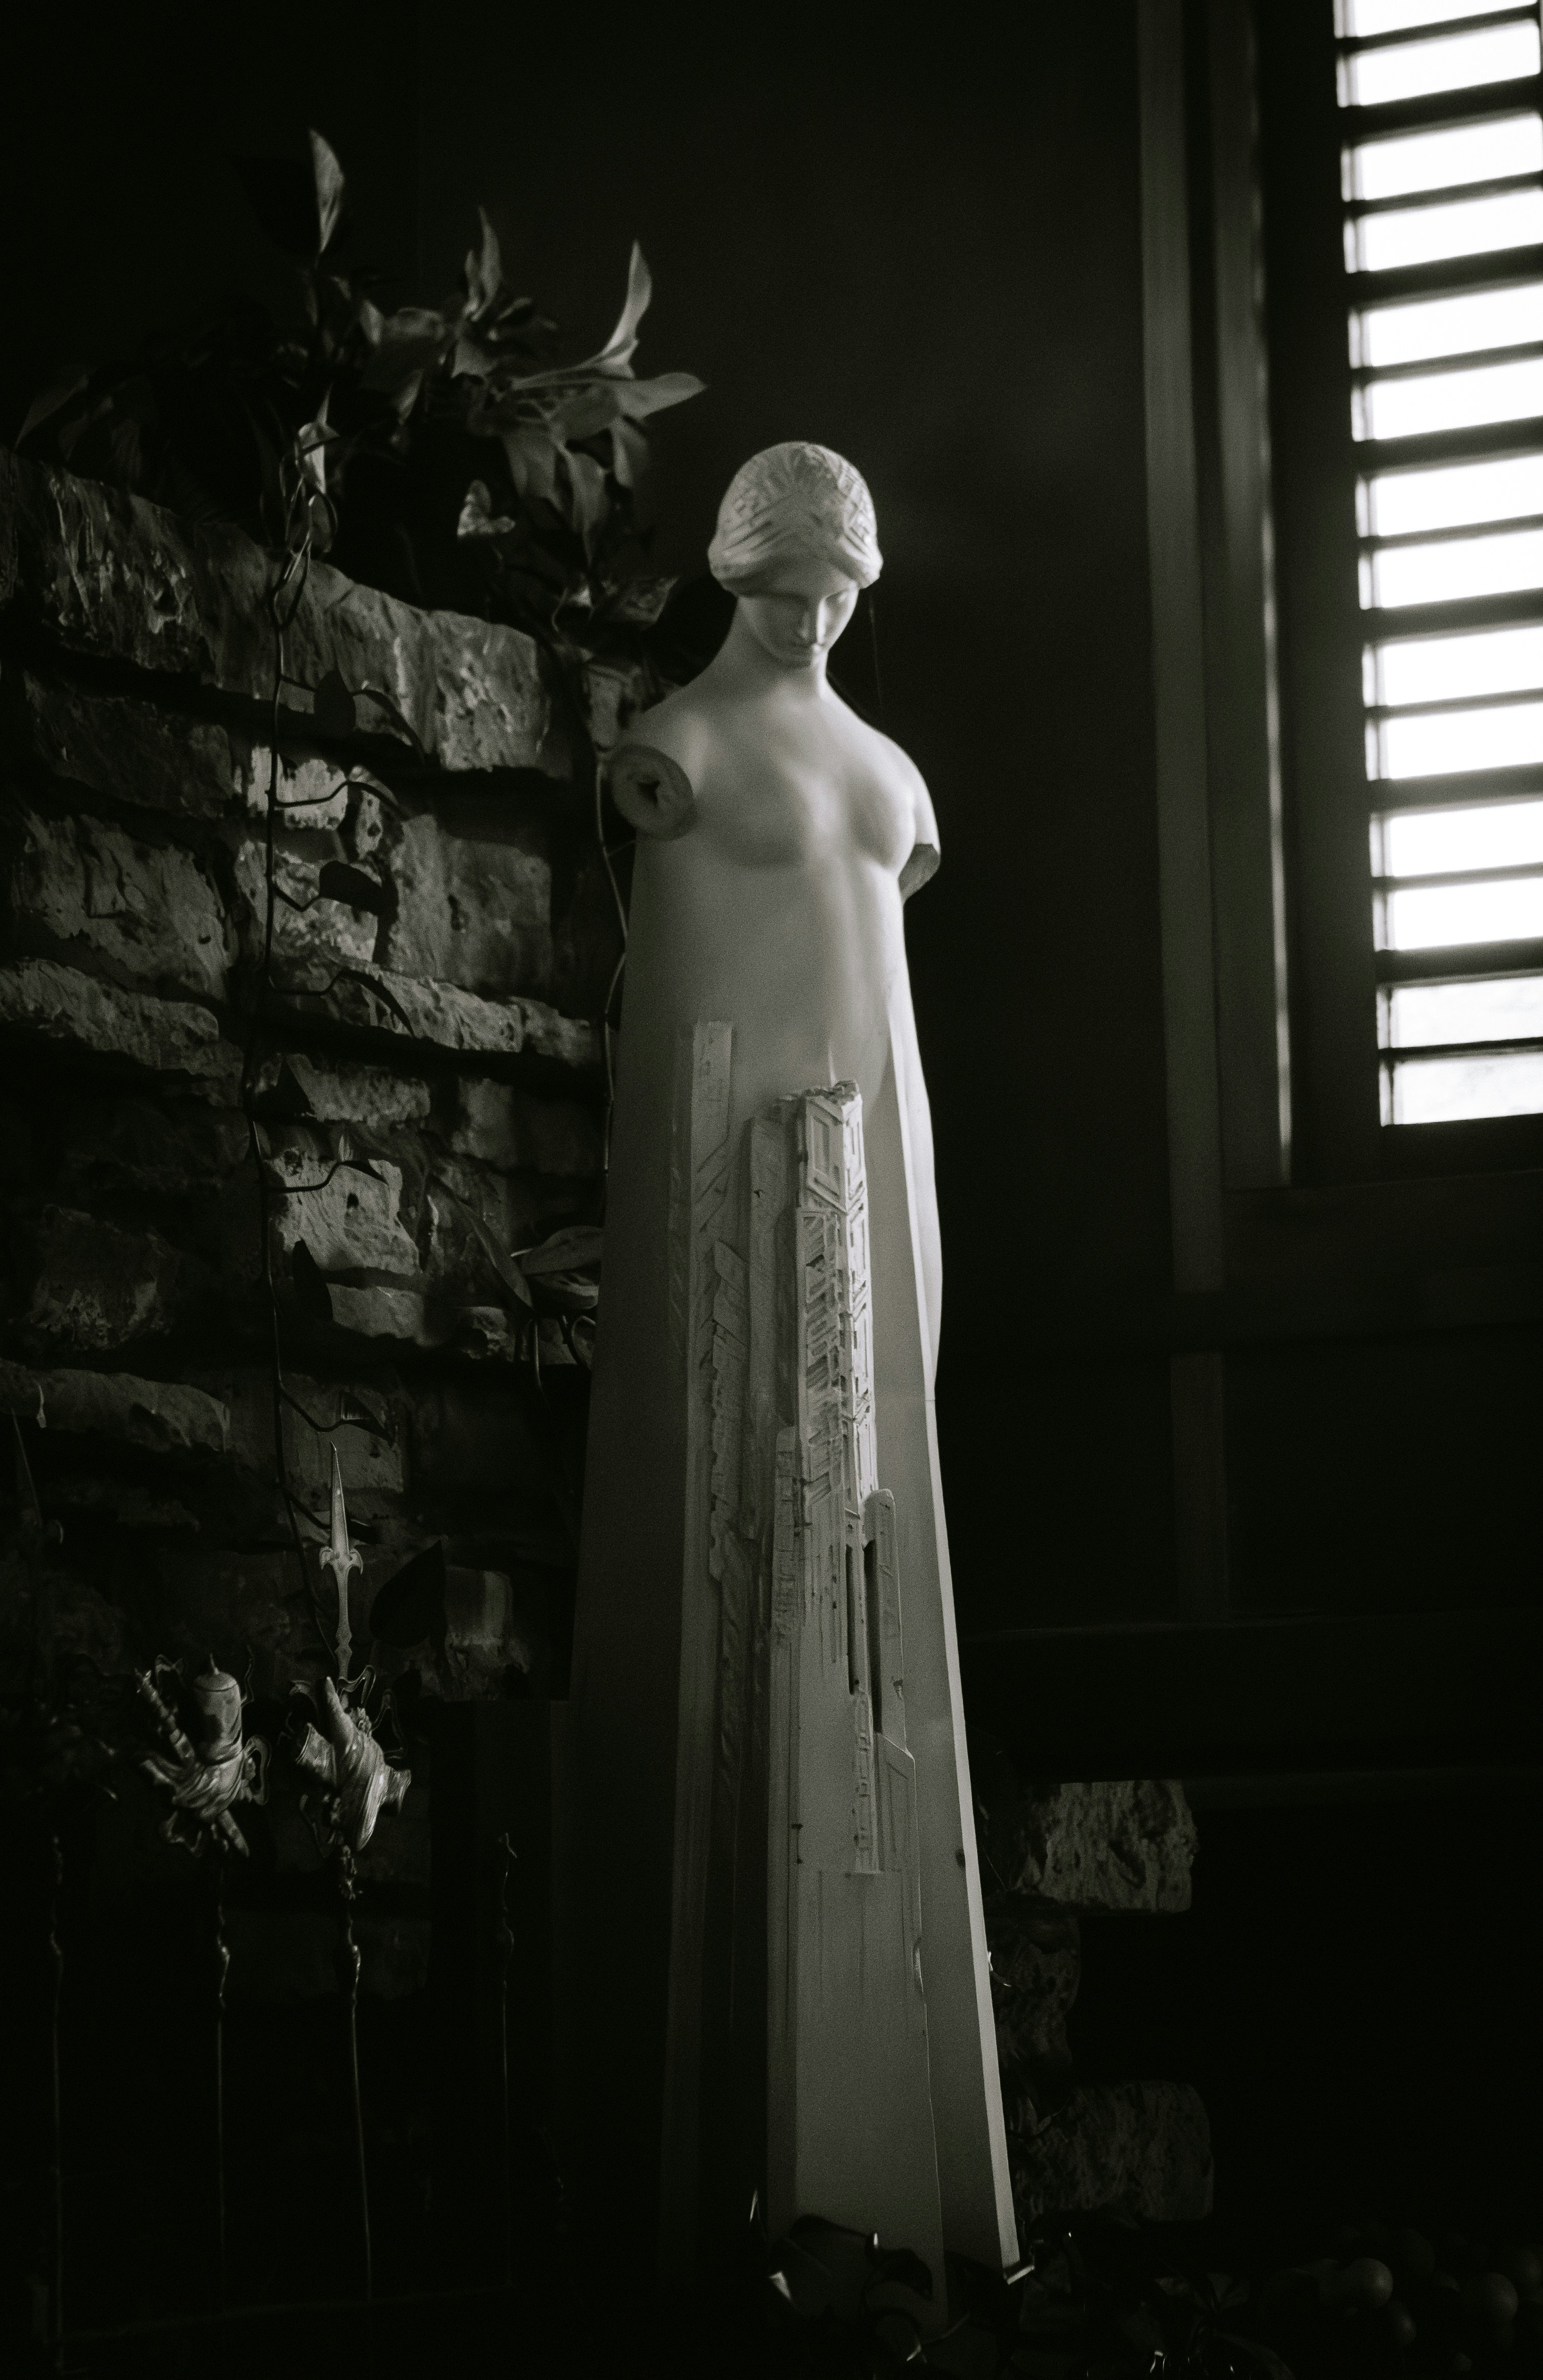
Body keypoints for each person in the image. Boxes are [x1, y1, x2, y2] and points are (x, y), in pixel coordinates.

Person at [559, 444, 1014, 2302]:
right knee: (718, 1580)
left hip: (874, 1164)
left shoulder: (895, 783)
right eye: (784, 570)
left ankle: (894, 2164)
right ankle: (695, 2167)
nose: (814, 601)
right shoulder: (674, 744)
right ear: (738, 569)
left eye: (840, 576)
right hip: (732, 1167)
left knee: (879, 1580)